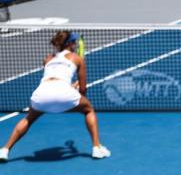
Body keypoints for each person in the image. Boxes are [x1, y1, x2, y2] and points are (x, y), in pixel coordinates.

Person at [0, 30, 110, 162]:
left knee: (28, 119)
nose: (75, 44)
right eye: (74, 41)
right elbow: (83, 89)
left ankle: (4, 150)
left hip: (42, 94)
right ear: (70, 44)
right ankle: (97, 148)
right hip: (64, 94)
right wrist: (76, 94)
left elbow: (54, 79)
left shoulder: (48, 59)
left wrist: (69, 89)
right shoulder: (77, 59)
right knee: (89, 110)